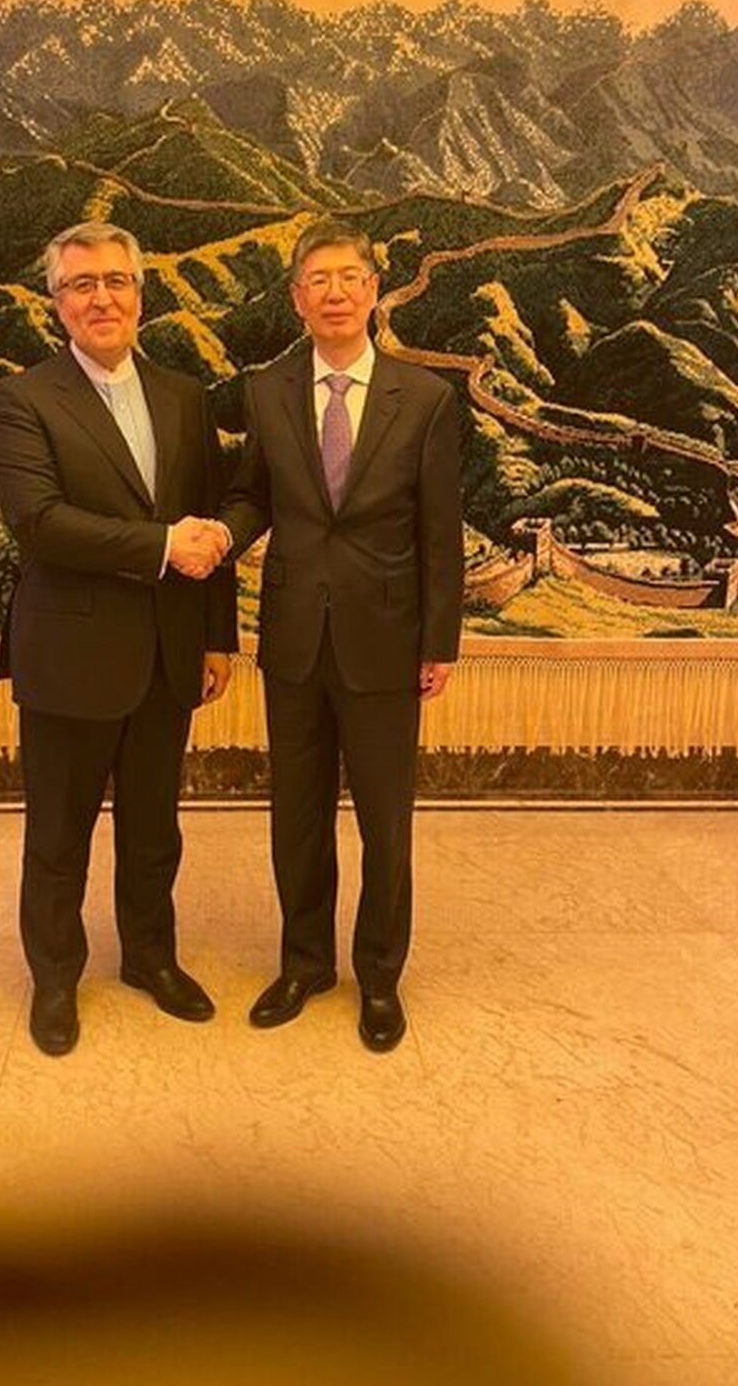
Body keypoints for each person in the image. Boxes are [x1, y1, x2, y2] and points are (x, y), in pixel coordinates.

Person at [0, 221, 236, 1056]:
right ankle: (55, 979)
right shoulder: (21, 400)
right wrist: (160, 546)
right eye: (81, 284)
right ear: (56, 303)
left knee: (155, 829)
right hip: (70, 658)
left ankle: (150, 958)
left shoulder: (184, 395)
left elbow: (208, 522)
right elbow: (40, 523)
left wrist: (216, 638)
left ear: (140, 294)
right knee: (59, 835)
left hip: (168, 653)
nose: (101, 298)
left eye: (116, 281)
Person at [214, 218, 464, 1052]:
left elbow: (440, 534)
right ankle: (305, 963)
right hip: (293, 639)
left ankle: (380, 976)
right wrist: (222, 535)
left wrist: (439, 642)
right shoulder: (267, 391)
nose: (333, 294)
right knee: (297, 815)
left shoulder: (423, 400)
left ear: (373, 290)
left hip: (387, 640)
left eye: (348, 278)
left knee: (386, 823)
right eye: (316, 280)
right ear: (296, 298)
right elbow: (254, 494)